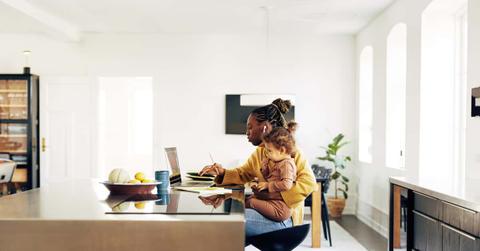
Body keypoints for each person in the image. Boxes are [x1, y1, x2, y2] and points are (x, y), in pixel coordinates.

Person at [199, 98, 316, 237]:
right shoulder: (259, 153)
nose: (247, 132)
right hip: (265, 210)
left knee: (230, 222)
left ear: (265, 126)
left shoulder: (290, 152)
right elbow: (242, 174)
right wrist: (221, 172)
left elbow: (309, 183)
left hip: (284, 218)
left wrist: (269, 193)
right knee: (231, 216)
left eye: (250, 127)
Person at [246, 125, 297, 222]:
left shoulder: (286, 164)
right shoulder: (276, 161)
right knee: (248, 199)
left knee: (250, 202)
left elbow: (287, 184)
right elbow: (270, 177)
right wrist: (264, 168)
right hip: (272, 202)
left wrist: (267, 185)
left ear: (282, 150)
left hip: (279, 208)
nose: (267, 153)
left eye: (269, 151)